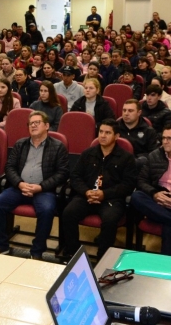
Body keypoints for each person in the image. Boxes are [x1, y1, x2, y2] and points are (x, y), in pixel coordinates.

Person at [0, 111, 69, 259]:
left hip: (43, 190)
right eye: (31, 123)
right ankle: (1, 245)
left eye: (37, 122)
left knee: (47, 209)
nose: (33, 126)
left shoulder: (58, 147)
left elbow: (62, 173)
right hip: (19, 187)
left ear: (47, 126)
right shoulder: (21, 144)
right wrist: (19, 184)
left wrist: (41, 187)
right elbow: (10, 167)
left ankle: (37, 251)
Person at [61, 119, 137, 260]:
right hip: (87, 196)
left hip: (111, 199)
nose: (102, 135)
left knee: (109, 220)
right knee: (68, 213)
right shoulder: (88, 153)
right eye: (101, 132)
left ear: (117, 136)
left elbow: (128, 184)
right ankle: (74, 253)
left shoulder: (126, 158)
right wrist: (86, 191)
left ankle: (102, 257)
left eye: (107, 133)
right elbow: (75, 176)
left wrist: (105, 194)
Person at [130, 124, 171, 256]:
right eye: (163, 138)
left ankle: (165, 268)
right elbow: (141, 180)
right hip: (158, 199)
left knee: (169, 228)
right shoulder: (154, 155)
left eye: (169, 138)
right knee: (137, 196)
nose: (165, 141)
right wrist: (154, 194)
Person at [118, 99, 158, 169]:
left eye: (130, 111)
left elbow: (154, 154)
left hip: (138, 168)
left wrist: (135, 160)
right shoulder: (114, 128)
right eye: (124, 110)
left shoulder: (149, 131)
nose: (126, 113)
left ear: (139, 113)